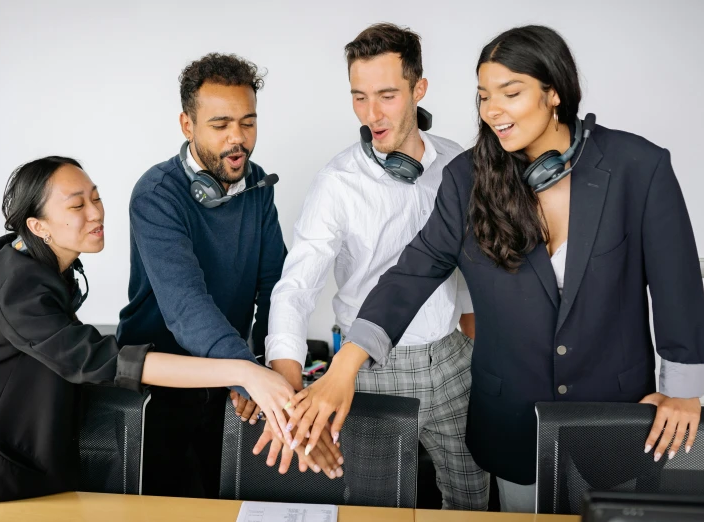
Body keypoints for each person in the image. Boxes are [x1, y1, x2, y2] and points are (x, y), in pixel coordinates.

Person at [285, 25, 704, 513]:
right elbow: (411, 275)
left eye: (511, 92)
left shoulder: (640, 167)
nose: (492, 111)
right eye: (484, 96)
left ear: (554, 93)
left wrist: (684, 393)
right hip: (513, 422)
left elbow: (679, 287)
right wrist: (345, 365)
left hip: (619, 414)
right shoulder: (466, 180)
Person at [0, 157, 296, 507]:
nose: (96, 212)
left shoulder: (31, 260)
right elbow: (105, 360)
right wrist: (242, 370)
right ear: (38, 226)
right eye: (76, 206)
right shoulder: (18, 288)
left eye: (96, 197)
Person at [260, 23, 488, 509]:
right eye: (359, 97)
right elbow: (295, 286)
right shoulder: (336, 183)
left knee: (472, 502)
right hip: (368, 371)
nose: (371, 114)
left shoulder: (459, 164)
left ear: (418, 89)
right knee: (374, 508)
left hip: (453, 363)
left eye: (386, 95)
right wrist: (287, 378)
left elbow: (472, 258)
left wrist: (473, 327)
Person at [116, 53, 341, 498]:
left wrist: (263, 370)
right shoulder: (156, 194)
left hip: (229, 384)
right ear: (187, 125)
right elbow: (186, 308)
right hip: (159, 388)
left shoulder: (257, 186)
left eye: (248, 122)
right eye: (220, 125)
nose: (237, 139)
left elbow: (275, 289)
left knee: (224, 500)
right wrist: (250, 378)